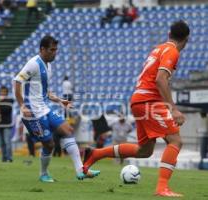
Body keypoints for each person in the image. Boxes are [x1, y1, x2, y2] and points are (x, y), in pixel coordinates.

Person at [82, 20, 189, 197]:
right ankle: (162, 188)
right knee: (175, 140)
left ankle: (96, 154)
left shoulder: (158, 48)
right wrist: (173, 109)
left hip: (139, 99)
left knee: (145, 150)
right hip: (149, 101)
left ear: (169, 34)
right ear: (186, 39)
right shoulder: (172, 51)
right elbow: (160, 79)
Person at [14, 35, 100, 182]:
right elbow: (17, 82)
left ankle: (81, 170)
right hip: (33, 113)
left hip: (45, 108)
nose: (54, 53)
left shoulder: (48, 66)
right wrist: (22, 105)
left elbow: (44, 90)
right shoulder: (33, 64)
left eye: (56, 50)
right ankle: (43, 174)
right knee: (49, 144)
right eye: (51, 50)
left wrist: (60, 100)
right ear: (42, 49)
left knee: (67, 130)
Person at [0, 86, 14, 162]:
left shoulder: (10, 100)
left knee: (7, 141)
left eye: (4, 92)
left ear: (7, 93)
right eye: (1, 92)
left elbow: (6, 110)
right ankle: (4, 157)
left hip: (7, 124)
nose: (2, 93)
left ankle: (9, 158)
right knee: (1, 143)